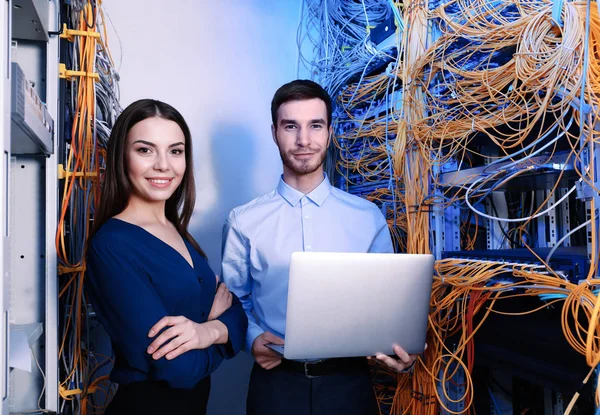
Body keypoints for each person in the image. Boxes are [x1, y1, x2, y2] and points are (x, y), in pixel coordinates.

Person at [221, 80, 419, 415]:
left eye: (315, 126)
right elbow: (233, 300)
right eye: (290, 126)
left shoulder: (366, 217)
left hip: (350, 385)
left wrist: (400, 347)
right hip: (275, 386)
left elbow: (387, 302)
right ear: (274, 133)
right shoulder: (243, 221)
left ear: (329, 132)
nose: (303, 140)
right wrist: (252, 337)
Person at [86, 99, 247, 415]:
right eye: (145, 150)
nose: (163, 165)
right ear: (122, 157)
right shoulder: (112, 246)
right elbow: (180, 369)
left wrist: (205, 332)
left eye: (176, 151)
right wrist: (219, 327)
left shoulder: (178, 232)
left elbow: (239, 312)